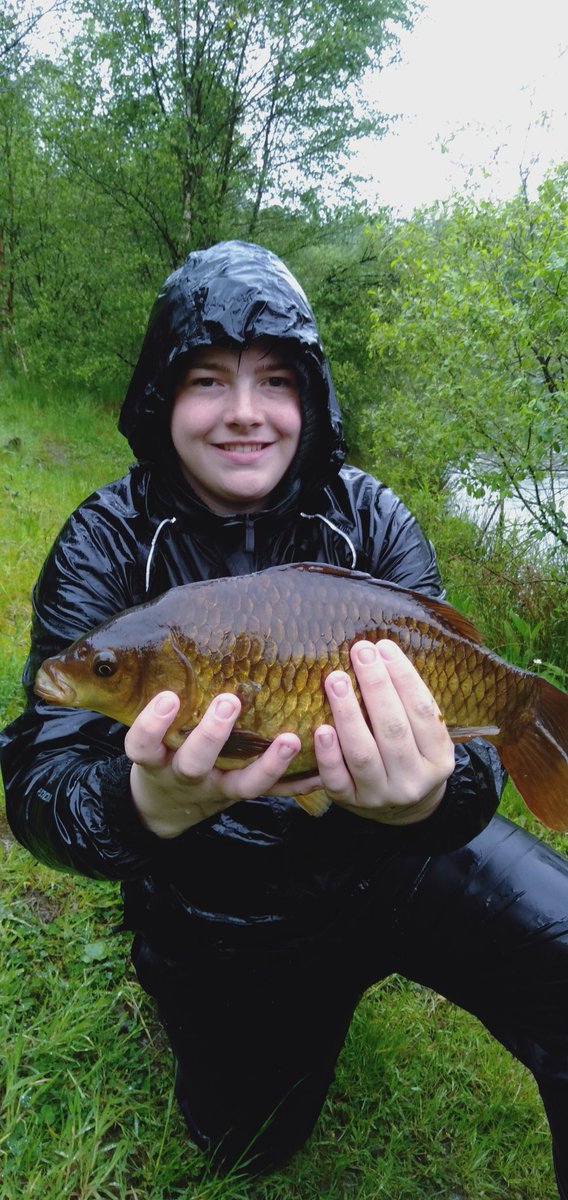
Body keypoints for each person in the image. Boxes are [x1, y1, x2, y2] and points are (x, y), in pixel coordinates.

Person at [1, 240, 567, 1192]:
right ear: (158, 397)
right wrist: (148, 807)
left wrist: (425, 801)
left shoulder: (371, 519)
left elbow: (473, 766)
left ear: (311, 395)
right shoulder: (105, 540)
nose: (246, 413)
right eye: (207, 381)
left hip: (395, 861)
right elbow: (37, 782)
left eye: (276, 379)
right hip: (222, 903)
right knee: (246, 1143)